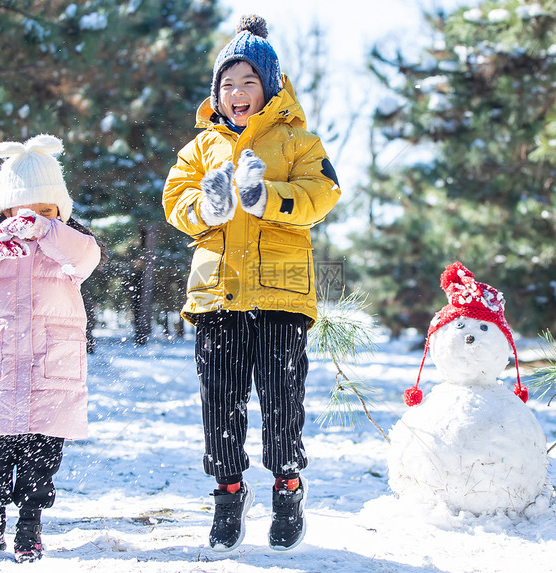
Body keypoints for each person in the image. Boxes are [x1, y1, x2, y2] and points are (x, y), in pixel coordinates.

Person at [162, 15, 341, 552]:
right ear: (216, 92)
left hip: (283, 294)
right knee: (219, 401)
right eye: (227, 84)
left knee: (283, 399)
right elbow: (175, 203)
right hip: (217, 294)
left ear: (270, 86)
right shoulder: (200, 149)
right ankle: (227, 491)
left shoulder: (296, 141)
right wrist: (208, 206)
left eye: (248, 83)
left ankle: (287, 488)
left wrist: (270, 199)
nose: (237, 93)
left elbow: (324, 193)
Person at [0, 134, 102, 563]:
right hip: (1, 370)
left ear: (59, 210)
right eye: (22, 210)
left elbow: (86, 259)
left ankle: (30, 524)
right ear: (5, 210)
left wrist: (48, 230)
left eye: (46, 210)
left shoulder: (70, 243)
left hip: (50, 370)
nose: (31, 218)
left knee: (40, 460)